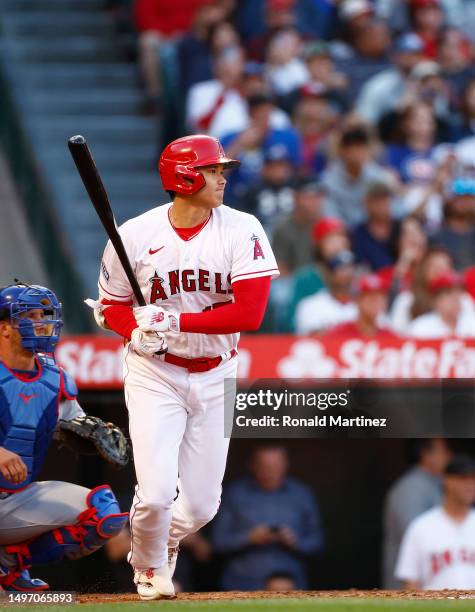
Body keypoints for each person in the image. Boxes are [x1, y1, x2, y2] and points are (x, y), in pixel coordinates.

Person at [91, 134, 280, 600]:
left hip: (218, 370)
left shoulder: (242, 228)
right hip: (155, 372)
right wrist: (133, 331)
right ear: (184, 176)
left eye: (220, 170)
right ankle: (150, 565)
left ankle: (156, 545)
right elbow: (113, 305)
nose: (222, 178)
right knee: (155, 494)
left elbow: (250, 313)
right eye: (214, 170)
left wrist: (173, 319)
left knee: (199, 507)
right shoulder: (133, 235)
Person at [0, 283, 128, 591]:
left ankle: (10, 565)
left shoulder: (54, 377)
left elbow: (75, 424)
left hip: (15, 499)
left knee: (105, 514)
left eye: (45, 315)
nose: (43, 323)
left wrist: (94, 433)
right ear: (4, 328)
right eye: (30, 316)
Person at [211, 445, 324, 590]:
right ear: (252, 465)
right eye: (265, 466)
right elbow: (217, 542)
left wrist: (295, 542)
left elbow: (318, 542)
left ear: (286, 465)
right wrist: (249, 538)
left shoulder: (301, 494)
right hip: (242, 584)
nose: (270, 472)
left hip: (290, 584)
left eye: (276, 466)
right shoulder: (234, 494)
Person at [395, 453, 475, 589]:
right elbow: (411, 583)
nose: (470, 485)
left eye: (473, 479)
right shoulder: (421, 526)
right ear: (446, 480)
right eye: (463, 478)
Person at [382, 438, 452, 588]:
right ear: (426, 455)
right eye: (444, 450)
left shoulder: (438, 484)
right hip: (408, 588)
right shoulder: (411, 488)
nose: (450, 455)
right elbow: (415, 536)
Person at [324, 273, 396, 339]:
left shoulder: (389, 336)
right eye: (371, 298)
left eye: (381, 297)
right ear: (357, 300)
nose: (376, 303)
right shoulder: (339, 333)